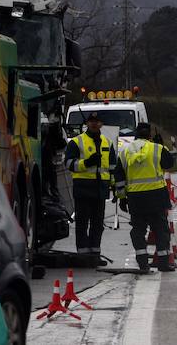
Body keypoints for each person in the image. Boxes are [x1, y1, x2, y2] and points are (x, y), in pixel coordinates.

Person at [116, 123, 175, 273]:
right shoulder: (157, 148)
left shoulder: (125, 151)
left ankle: (142, 263)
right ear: (149, 135)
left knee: (138, 230)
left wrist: (122, 198)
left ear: (135, 134)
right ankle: (163, 263)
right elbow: (169, 164)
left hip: (136, 198)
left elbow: (119, 177)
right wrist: (161, 145)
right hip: (156, 196)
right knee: (161, 230)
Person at [64, 112, 119, 264]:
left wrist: (115, 188)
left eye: (97, 121)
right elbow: (69, 164)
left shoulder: (107, 142)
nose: (94, 124)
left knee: (97, 224)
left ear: (101, 124)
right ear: (87, 124)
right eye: (91, 121)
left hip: (100, 189)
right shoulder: (76, 142)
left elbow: (113, 168)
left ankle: (94, 255)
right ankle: (83, 256)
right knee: (82, 223)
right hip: (83, 188)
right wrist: (86, 163)